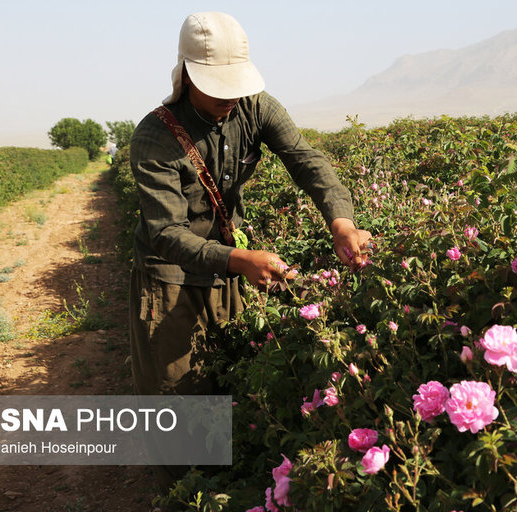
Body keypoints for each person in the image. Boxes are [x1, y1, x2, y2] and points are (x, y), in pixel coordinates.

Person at [128, 11, 372, 398]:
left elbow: (306, 161)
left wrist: (342, 222)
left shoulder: (256, 107)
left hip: (229, 267)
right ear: (188, 76)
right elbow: (166, 234)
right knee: (176, 394)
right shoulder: (154, 138)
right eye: (217, 86)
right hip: (171, 278)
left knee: (231, 377)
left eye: (234, 85)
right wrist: (240, 260)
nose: (229, 96)